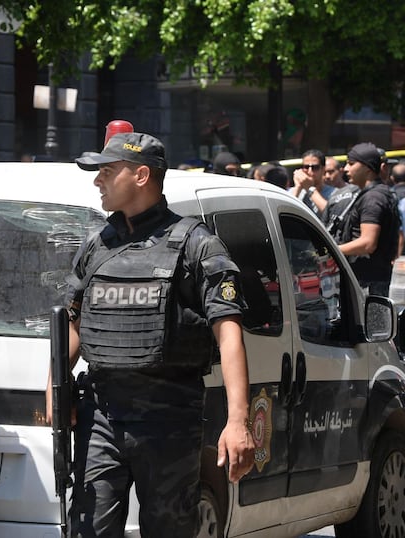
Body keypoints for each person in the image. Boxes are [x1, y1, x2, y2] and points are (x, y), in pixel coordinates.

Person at [49, 132, 254, 537]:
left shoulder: (196, 244)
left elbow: (229, 331)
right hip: (102, 413)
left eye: (107, 172)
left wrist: (238, 420)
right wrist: (54, 384)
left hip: (169, 416)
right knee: (87, 529)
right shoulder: (97, 244)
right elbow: (74, 321)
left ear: (141, 175)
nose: (97, 181)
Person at [338, 142, 400, 295]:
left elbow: (367, 243)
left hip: (368, 285)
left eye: (351, 164)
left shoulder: (373, 198)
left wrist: (332, 250)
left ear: (367, 168)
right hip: (368, 281)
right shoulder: (373, 194)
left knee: (369, 319)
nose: (346, 169)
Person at [321, 156, 360, 242]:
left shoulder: (354, 192)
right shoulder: (319, 191)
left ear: (341, 171)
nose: (327, 176)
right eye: (324, 173)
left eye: (331, 172)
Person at [289, 149, 333, 219]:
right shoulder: (292, 192)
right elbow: (286, 211)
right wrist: (297, 188)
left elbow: (330, 214)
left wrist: (310, 189)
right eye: (306, 167)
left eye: (315, 167)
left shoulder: (333, 193)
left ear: (323, 169)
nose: (310, 171)